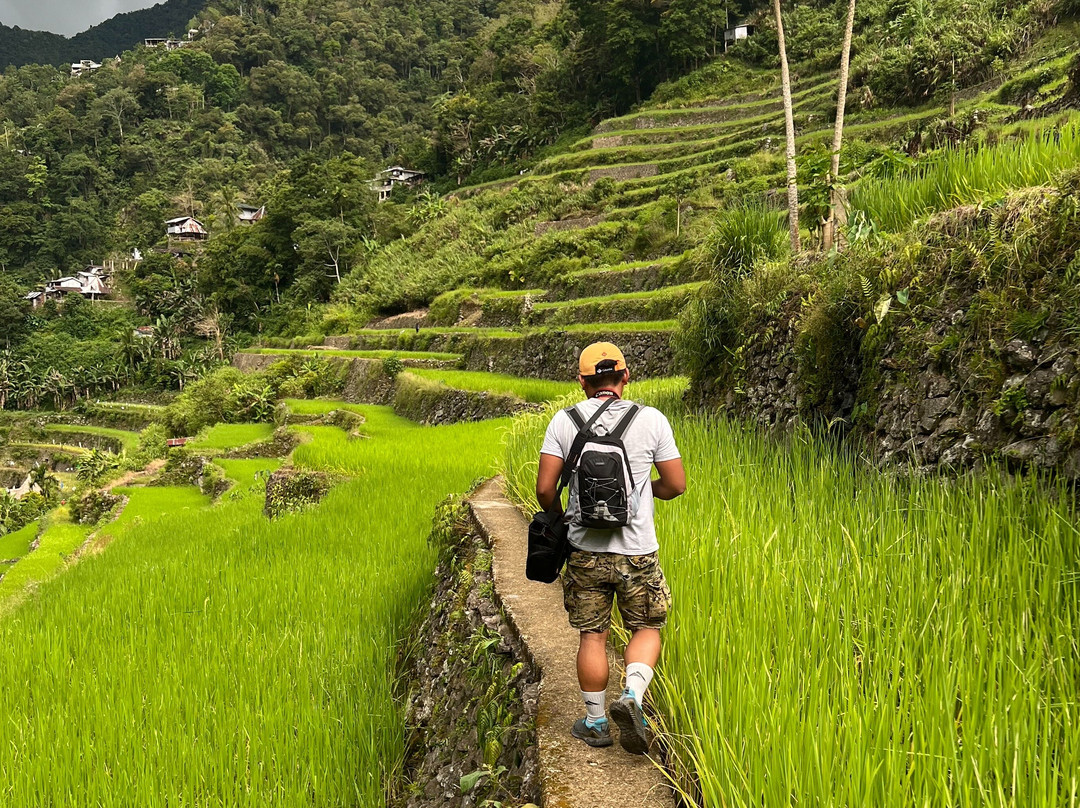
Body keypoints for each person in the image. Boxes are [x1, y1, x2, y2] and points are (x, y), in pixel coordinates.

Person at [535, 342, 686, 755]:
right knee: (647, 627)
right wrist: (641, 495)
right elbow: (675, 484)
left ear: (581, 381)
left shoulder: (564, 422)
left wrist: (566, 516)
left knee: (593, 636)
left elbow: (546, 489)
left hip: (585, 551)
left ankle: (597, 722)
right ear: (626, 376)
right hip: (638, 551)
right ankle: (633, 696)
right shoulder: (651, 419)